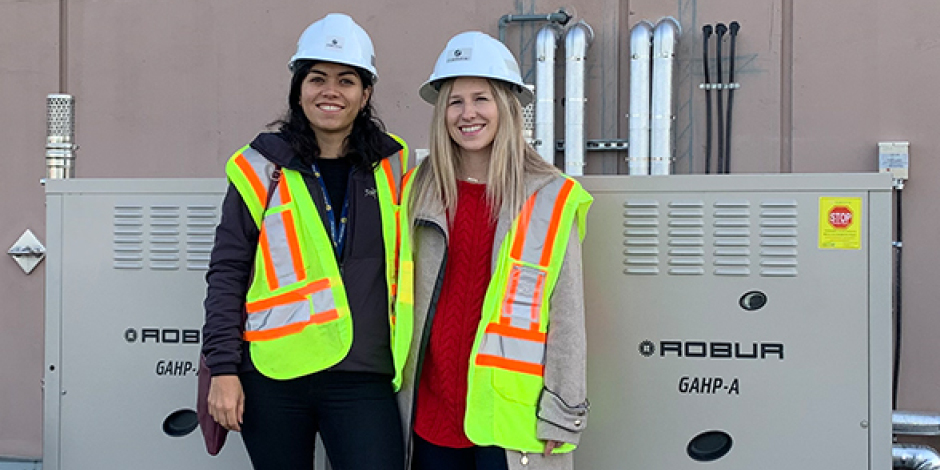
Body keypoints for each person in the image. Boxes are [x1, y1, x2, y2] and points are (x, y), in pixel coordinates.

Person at [201, 13, 410, 470]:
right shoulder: (261, 166)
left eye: (346, 80)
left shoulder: (395, 166)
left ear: (366, 93)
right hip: (275, 375)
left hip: (363, 375)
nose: (330, 91)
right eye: (317, 78)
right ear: (299, 89)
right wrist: (223, 369)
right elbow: (227, 272)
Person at [395, 31, 592, 470]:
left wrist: (563, 411)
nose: (468, 114)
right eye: (455, 101)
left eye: (480, 98)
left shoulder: (550, 196)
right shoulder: (414, 192)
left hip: (510, 418)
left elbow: (567, 316)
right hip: (430, 410)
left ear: (505, 106)